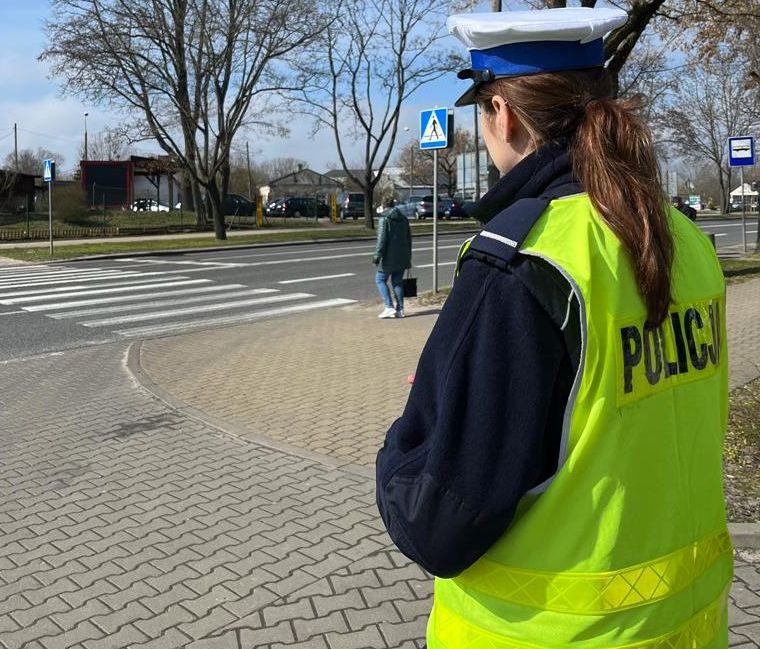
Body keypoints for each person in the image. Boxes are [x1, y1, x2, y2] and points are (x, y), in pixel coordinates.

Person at [376, 7, 731, 649]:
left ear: (502, 113)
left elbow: (439, 524)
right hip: (688, 626)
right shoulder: (681, 239)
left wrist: (404, 440)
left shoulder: (523, 259)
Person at [373, 206, 412, 318]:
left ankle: (389, 307)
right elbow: (408, 238)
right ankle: (400, 309)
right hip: (403, 256)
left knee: (380, 279)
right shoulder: (404, 219)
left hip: (388, 257)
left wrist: (377, 257)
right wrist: (408, 257)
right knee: (397, 282)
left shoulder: (384, 220)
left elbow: (381, 240)